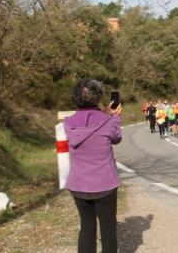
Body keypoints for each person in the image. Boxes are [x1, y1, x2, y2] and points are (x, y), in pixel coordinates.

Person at [64, 79, 122, 253]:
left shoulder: (68, 123)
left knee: (87, 228)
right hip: (105, 185)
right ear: (98, 97)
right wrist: (114, 116)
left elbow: (86, 122)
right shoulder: (108, 121)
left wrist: (104, 114)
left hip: (78, 185)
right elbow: (117, 138)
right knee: (108, 230)